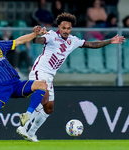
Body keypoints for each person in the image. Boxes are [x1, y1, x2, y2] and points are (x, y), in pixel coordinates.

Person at [16, 12, 125, 142]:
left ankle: (31, 133)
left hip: (50, 75)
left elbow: (91, 44)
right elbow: (37, 40)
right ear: (59, 27)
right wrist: (35, 34)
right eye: (63, 28)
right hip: (39, 71)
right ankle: (24, 123)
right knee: (43, 97)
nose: (66, 31)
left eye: (68, 28)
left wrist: (110, 41)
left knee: (49, 108)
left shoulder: (73, 40)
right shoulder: (51, 36)